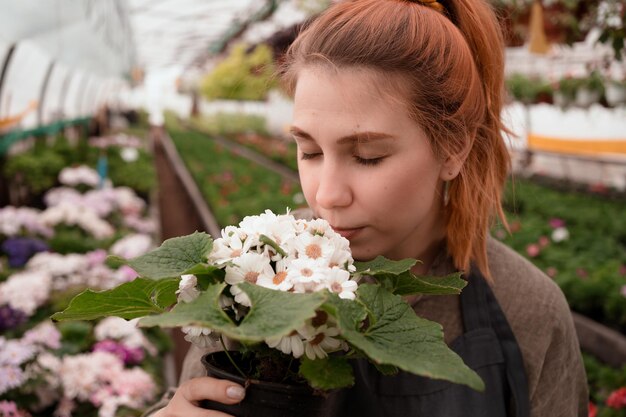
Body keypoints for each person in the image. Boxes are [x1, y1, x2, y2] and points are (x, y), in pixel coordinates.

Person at [145, 0, 588, 416]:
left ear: (453, 148)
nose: (326, 196)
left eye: (368, 156)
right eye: (310, 152)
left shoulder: (527, 309)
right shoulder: (258, 270)